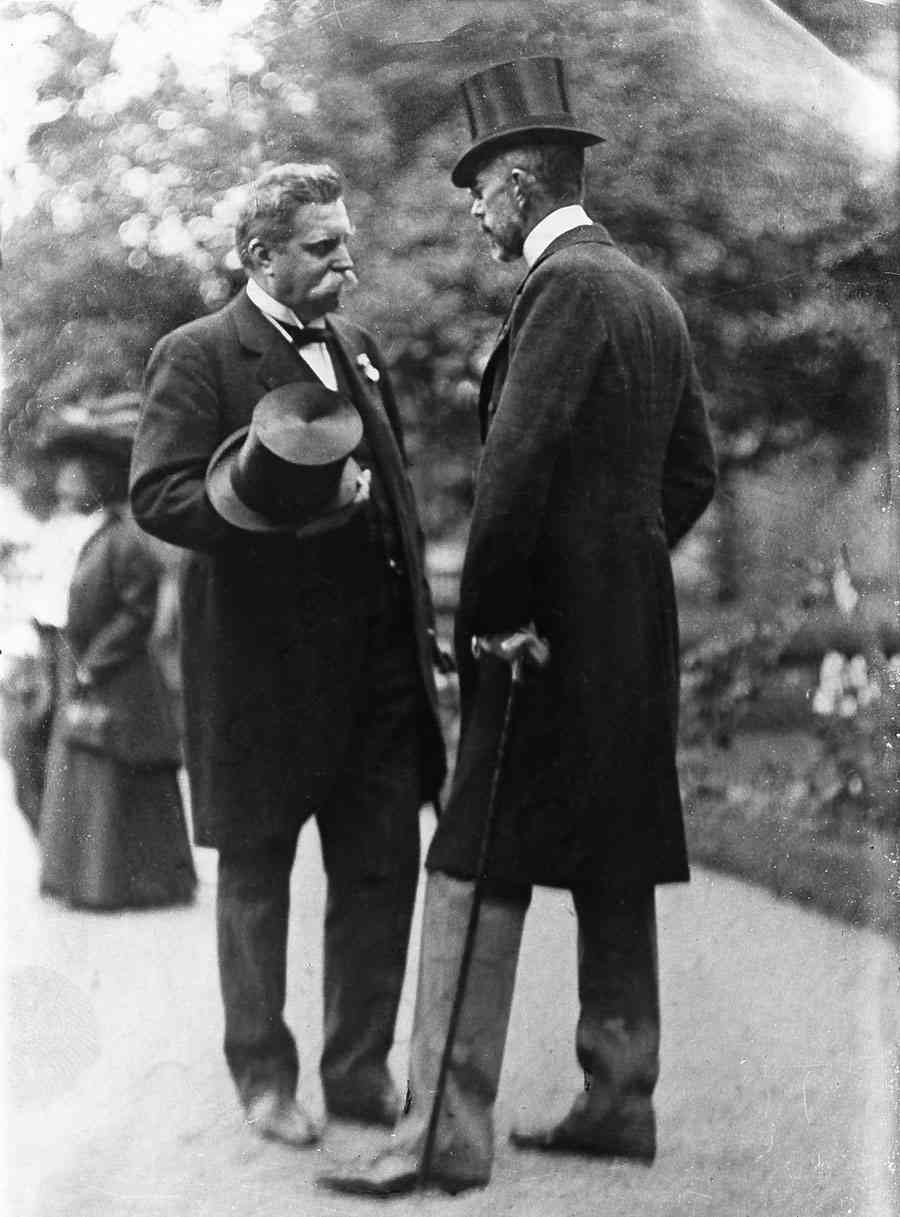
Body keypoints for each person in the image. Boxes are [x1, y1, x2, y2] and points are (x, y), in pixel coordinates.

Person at [319, 56, 717, 1197]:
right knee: (614, 849)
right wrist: (617, 566)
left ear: (521, 183)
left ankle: (440, 1133)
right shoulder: (646, 293)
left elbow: (514, 479)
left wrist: (496, 622)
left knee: (470, 860)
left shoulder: (563, 291)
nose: (472, 210)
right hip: (630, 636)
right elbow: (689, 472)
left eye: (477, 188)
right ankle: (619, 1099)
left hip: (537, 640)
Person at [129, 162, 447, 1148]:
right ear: (262, 256)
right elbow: (160, 495)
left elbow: (395, 499)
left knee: (380, 874)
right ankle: (264, 1079)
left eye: (346, 240)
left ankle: (358, 1071)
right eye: (323, 245)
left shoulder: (358, 348)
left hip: (376, 675)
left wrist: (420, 636)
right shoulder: (197, 354)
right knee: (257, 882)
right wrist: (281, 506)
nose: (347, 260)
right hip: (262, 676)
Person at [37, 421, 197, 910]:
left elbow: (137, 611)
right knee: (88, 777)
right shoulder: (88, 533)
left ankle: (129, 886)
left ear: (99, 479)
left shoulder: (122, 538)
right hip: (87, 669)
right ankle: (86, 883)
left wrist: (95, 662)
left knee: (115, 777)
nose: (65, 478)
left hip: (118, 676)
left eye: (77, 470)